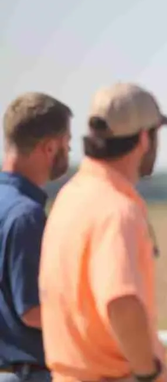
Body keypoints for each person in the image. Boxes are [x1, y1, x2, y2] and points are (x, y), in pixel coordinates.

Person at [38, 83, 167, 382]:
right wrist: (148, 373)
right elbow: (121, 302)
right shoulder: (117, 210)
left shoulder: (71, 195)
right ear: (145, 138)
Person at [0, 92, 72, 382]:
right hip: (24, 374)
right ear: (50, 147)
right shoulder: (26, 215)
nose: (69, 150)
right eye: (67, 143)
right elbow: (32, 310)